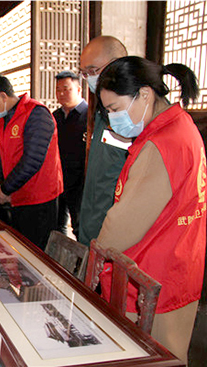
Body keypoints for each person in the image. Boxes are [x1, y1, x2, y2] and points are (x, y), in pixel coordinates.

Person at [95, 56, 205, 363]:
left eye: (115, 109)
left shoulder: (161, 143)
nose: (113, 118)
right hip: (179, 263)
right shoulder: (181, 127)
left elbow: (122, 227)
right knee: (169, 353)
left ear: (144, 94)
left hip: (150, 274)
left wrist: (96, 252)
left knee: (149, 355)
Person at [0, 75, 63, 250]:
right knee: (21, 251)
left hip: (39, 200)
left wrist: (6, 188)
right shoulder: (4, 120)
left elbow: (33, 160)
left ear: (2, 96)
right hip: (18, 197)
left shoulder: (36, 114)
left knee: (36, 254)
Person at [78, 35, 129, 247]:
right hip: (92, 226)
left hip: (116, 233)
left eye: (93, 71)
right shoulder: (102, 112)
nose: (88, 78)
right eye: (84, 73)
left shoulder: (131, 117)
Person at [53, 71, 87, 238]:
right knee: (57, 226)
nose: (61, 94)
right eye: (58, 90)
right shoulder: (55, 117)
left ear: (78, 89)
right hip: (58, 181)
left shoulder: (89, 116)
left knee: (80, 227)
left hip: (80, 183)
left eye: (66, 89)